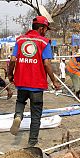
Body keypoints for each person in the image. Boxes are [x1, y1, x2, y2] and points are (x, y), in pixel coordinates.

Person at [8, 16, 60, 147]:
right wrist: (54, 81)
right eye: (46, 29)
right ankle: (32, 142)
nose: (46, 32)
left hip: (21, 82)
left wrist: (10, 74)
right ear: (41, 28)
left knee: (20, 101)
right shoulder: (43, 42)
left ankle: (18, 116)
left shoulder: (20, 40)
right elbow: (47, 63)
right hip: (36, 84)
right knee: (36, 115)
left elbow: (13, 59)